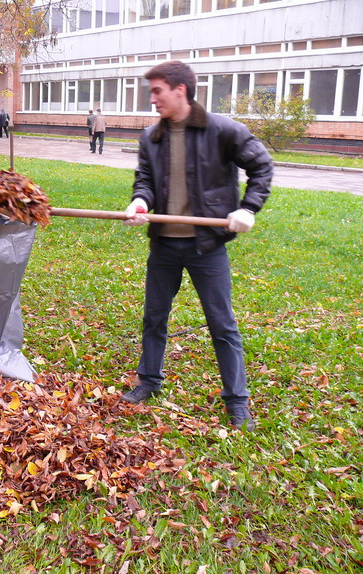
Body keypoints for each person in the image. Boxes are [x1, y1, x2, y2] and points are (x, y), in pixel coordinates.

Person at [121, 60, 272, 431]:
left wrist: (248, 208)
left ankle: (237, 402)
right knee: (154, 317)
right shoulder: (151, 137)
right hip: (164, 247)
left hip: (207, 247)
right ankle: (149, 382)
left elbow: (262, 166)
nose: (152, 99)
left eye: (157, 91)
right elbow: (146, 182)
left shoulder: (222, 130)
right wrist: (140, 202)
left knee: (222, 325)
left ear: (180, 90)